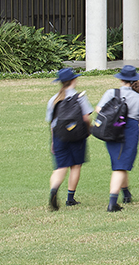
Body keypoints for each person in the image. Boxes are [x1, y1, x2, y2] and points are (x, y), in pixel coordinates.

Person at [98, 63, 139, 211]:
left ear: (121, 79)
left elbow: (99, 109)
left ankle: (126, 194)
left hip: (112, 129)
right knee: (121, 166)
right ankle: (112, 202)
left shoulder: (111, 93)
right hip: (130, 130)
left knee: (120, 162)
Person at [46, 66, 89, 210]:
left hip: (59, 136)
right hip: (77, 135)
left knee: (60, 167)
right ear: (73, 80)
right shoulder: (80, 97)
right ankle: (70, 198)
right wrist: (88, 130)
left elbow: (52, 123)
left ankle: (54, 189)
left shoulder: (54, 100)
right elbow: (86, 117)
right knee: (75, 166)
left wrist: (53, 141)